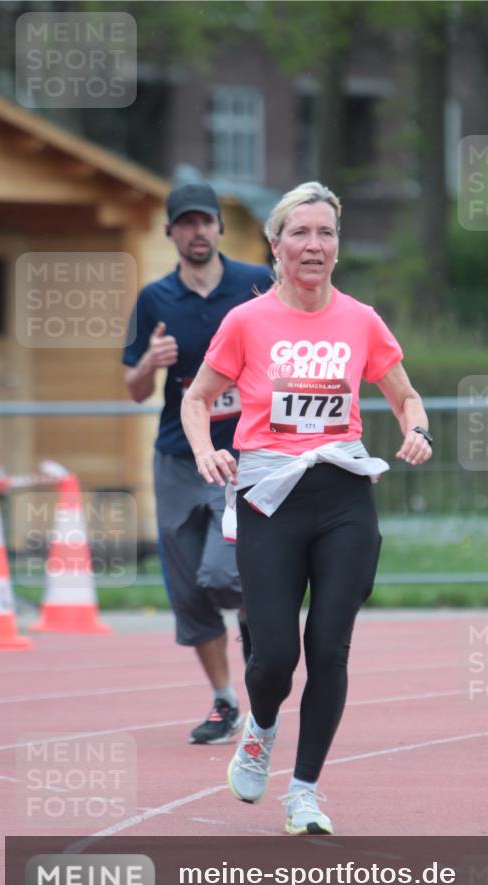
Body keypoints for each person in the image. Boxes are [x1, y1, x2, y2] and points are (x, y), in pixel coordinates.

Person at [181, 181, 432, 834]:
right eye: (300, 233)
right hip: (270, 498)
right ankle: (260, 727)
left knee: (329, 649)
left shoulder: (360, 319)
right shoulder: (246, 321)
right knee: (273, 659)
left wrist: (416, 430)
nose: (313, 245)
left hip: (343, 494)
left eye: (325, 233)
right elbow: (196, 398)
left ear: (337, 247)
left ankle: (304, 791)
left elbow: (405, 395)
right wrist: (208, 451)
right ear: (275, 245)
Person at [123, 182, 274, 745]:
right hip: (178, 458)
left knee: (222, 573)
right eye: (185, 223)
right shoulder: (154, 299)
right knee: (188, 591)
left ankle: (261, 636)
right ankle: (224, 700)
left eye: (205, 221)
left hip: (244, 455)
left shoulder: (253, 286)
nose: (197, 231)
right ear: (171, 233)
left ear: (219, 228)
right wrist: (150, 364)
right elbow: (134, 389)